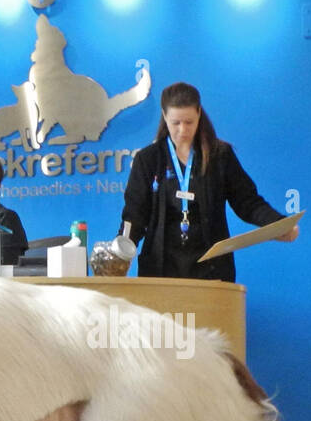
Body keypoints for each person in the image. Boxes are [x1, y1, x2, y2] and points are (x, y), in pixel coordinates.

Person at [121, 82, 297, 281]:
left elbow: (248, 202)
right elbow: (134, 216)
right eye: (175, 123)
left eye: (189, 122)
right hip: (161, 269)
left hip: (212, 270)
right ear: (164, 116)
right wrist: (121, 253)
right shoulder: (148, 159)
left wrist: (277, 223)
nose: (182, 130)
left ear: (198, 113)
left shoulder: (220, 155)